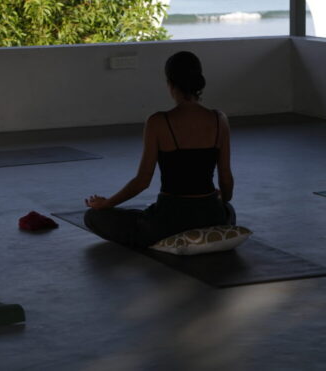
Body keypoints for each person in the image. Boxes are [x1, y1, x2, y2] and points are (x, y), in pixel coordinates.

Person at [84, 51, 235, 248]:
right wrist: (222, 199)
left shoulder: (158, 122)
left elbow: (142, 182)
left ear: (170, 84)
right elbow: (225, 178)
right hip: (210, 216)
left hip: (169, 220)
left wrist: (107, 204)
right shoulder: (219, 119)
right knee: (228, 210)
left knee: (93, 217)